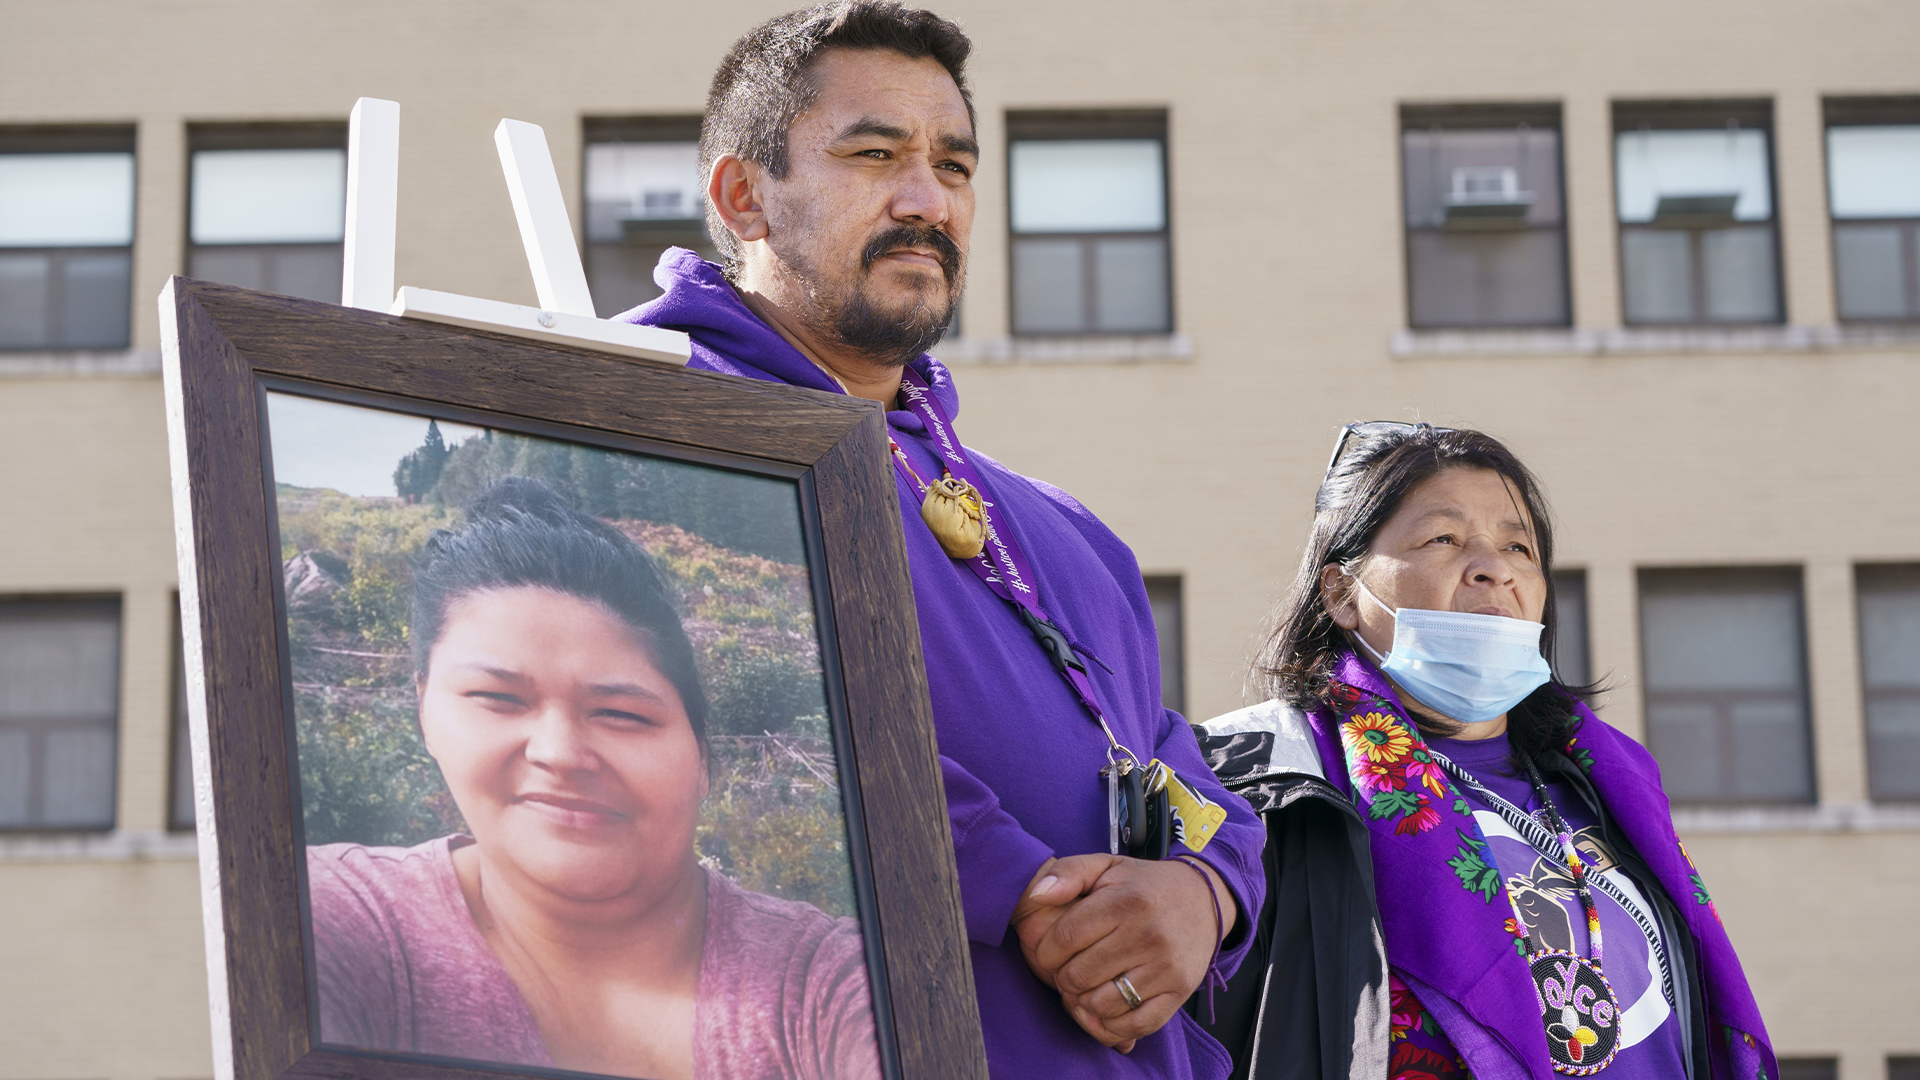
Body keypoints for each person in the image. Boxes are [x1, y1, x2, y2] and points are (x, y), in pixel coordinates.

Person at [621, 4, 1267, 1076]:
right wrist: (1024, 887)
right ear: (744, 197)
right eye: (874, 154)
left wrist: (1203, 894)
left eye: (955, 167)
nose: (928, 202)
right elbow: (741, 720)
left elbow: (1170, 761)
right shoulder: (642, 433)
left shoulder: (1065, 533)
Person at [1194, 423, 1776, 1080]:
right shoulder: (1260, 773)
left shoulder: (1609, 783)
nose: (1494, 567)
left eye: (1518, 546)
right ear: (1341, 593)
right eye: (1443, 538)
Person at [306, 477, 879, 1080]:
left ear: (702, 756)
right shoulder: (337, 917)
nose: (560, 753)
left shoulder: (828, 984)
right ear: (425, 710)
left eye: (622, 714)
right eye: (497, 698)